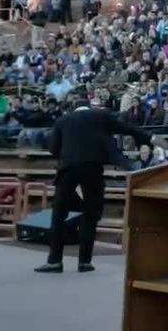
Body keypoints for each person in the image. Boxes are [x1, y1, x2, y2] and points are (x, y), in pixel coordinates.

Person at [35, 101, 154, 274]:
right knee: (91, 214)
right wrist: (147, 136)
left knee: (59, 214)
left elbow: (53, 149)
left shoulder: (63, 119)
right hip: (93, 167)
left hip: (68, 168)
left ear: (73, 108)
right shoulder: (101, 115)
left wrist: (70, 150)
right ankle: (85, 262)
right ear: (89, 107)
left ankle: (54, 261)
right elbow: (126, 127)